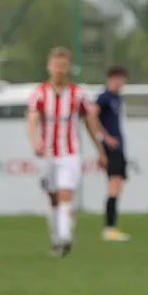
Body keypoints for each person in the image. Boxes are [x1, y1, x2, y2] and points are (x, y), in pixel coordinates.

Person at [25, 48, 109, 258]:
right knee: (53, 197)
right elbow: (32, 120)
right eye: (56, 65)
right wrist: (36, 142)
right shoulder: (39, 94)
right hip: (48, 154)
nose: (59, 70)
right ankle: (57, 239)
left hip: (70, 153)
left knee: (65, 194)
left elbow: (90, 123)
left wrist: (100, 151)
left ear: (68, 68)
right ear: (49, 67)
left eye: (63, 66)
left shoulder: (78, 94)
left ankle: (65, 237)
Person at [95, 65, 131, 242]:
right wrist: (106, 137)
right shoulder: (104, 97)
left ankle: (111, 227)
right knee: (114, 185)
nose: (122, 83)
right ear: (112, 78)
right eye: (120, 79)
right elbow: (92, 116)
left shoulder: (117, 98)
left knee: (118, 186)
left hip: (119, 146)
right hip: (112, 147)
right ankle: (109, 228)